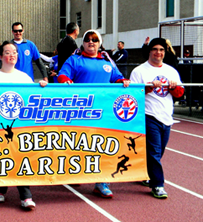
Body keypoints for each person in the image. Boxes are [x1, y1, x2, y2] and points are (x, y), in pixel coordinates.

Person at [58, 29, 130, 198]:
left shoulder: (107, 60)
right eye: (88, 39)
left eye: (95, 39)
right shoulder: (75, 60)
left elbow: (117, 77)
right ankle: (75, 172)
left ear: (99, 43)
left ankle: (102, 182)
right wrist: (66, 81)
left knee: (103, 147)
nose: (91, 42)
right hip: (80, 112)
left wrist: (123, 82)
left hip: (103, 112)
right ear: (83, 43)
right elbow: (62, 76)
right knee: (79, 145)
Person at [0, 41, 47, 210]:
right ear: (1, 56)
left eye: (14, 53)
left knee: (21, 157)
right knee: (0, 155)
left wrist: (42, 88)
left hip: (20, 126)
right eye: (7, 52)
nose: (11, 55)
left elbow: (34, 99)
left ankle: (26, 195)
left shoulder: (24, 78)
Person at [130, 38, 184, 199]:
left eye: (161, 50)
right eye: (155, 49)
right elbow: (133, 95)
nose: (158, 53)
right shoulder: (139, 71)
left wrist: (174, 88)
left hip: (166, 116)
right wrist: (148, 87)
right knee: (154, 151)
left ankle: (147, 173)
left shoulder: (171, 71)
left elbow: (179, 94)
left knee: (159, 150)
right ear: (149, 51)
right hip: (148, 115)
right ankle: (158, 185)